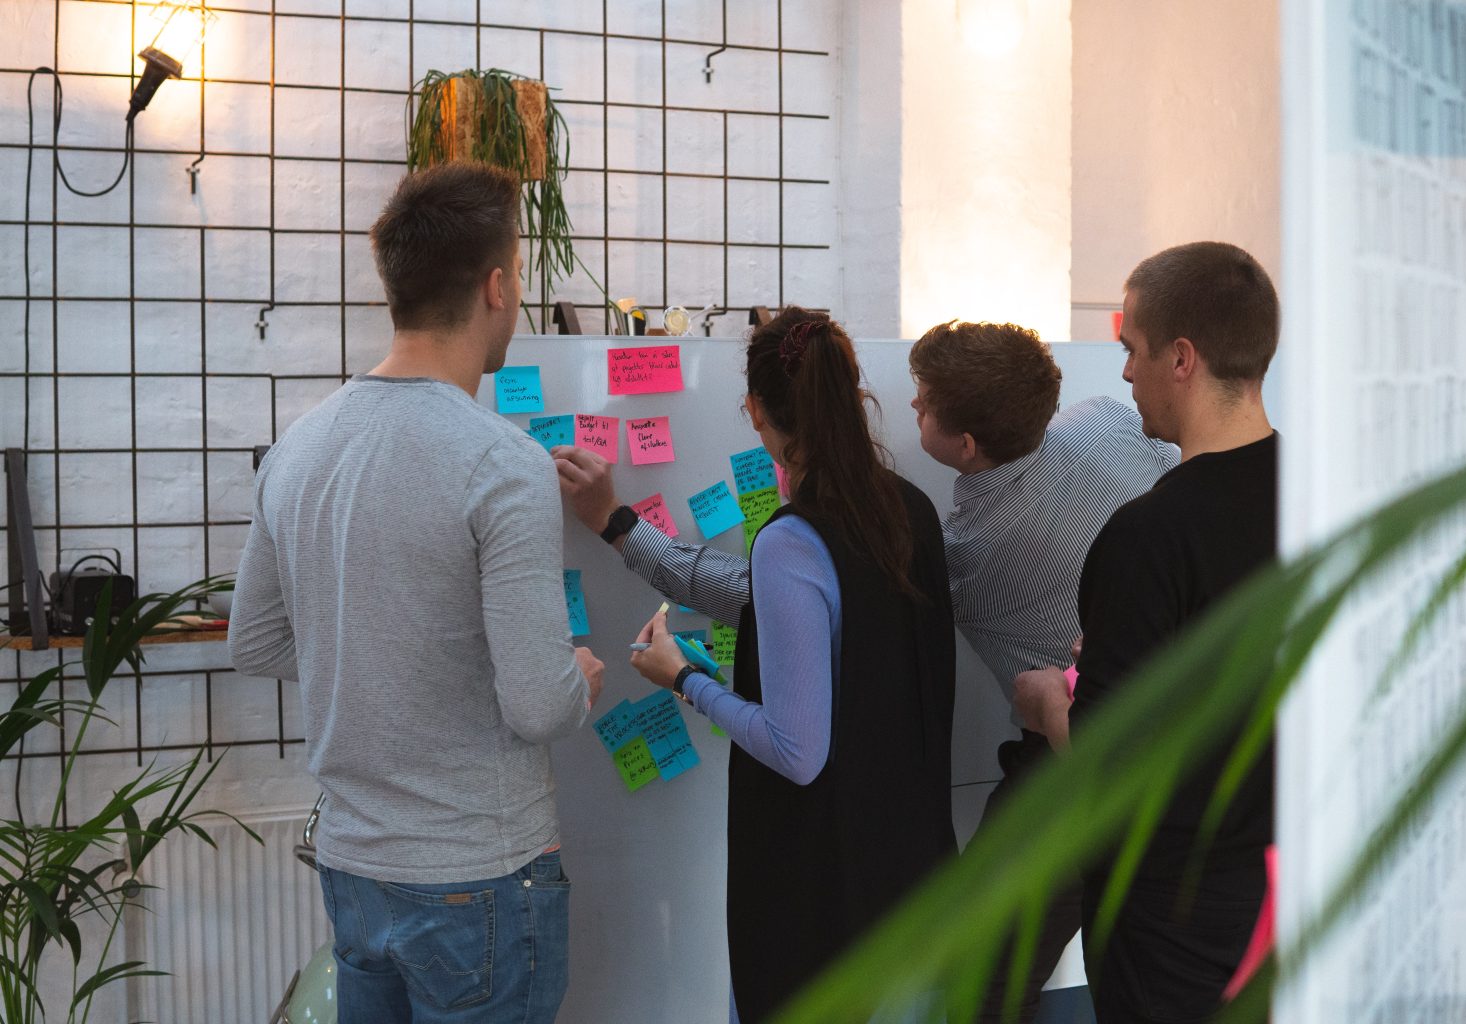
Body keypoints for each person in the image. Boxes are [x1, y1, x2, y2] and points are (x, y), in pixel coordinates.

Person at [228, 162, 604, 1024]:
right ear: (497, 286)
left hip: (354, 868)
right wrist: (579, 677)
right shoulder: (500, 460)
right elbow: (540, 705)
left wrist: (381, 658)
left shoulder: (300, 447)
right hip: (480, 873)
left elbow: (255, 640)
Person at [552, 307, 957, 1024]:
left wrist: (686, 680)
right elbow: (754, 596)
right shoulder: (910, 511)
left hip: (825, 906)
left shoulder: (794, 540)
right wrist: (616, 522)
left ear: (757, 412)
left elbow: (797, 751)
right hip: (915, 884)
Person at [1013, 241, 1280, 1024]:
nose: (1126, 373)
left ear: (1182, 359)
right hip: (1282, 896)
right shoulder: (1322, 496)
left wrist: (1045, 699)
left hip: (1174, 927)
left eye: (1133, 350)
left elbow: (1106, 762)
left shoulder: (1150, 535)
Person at [907, 319, 1177, 1023]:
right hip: (1180, 732)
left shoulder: (968, 561)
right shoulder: (1110, 422)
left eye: (923, 403)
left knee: (983, 981)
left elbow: (802, 588)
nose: (912, 408)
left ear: (966, 446)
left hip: (1071, 768)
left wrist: (637, 537)